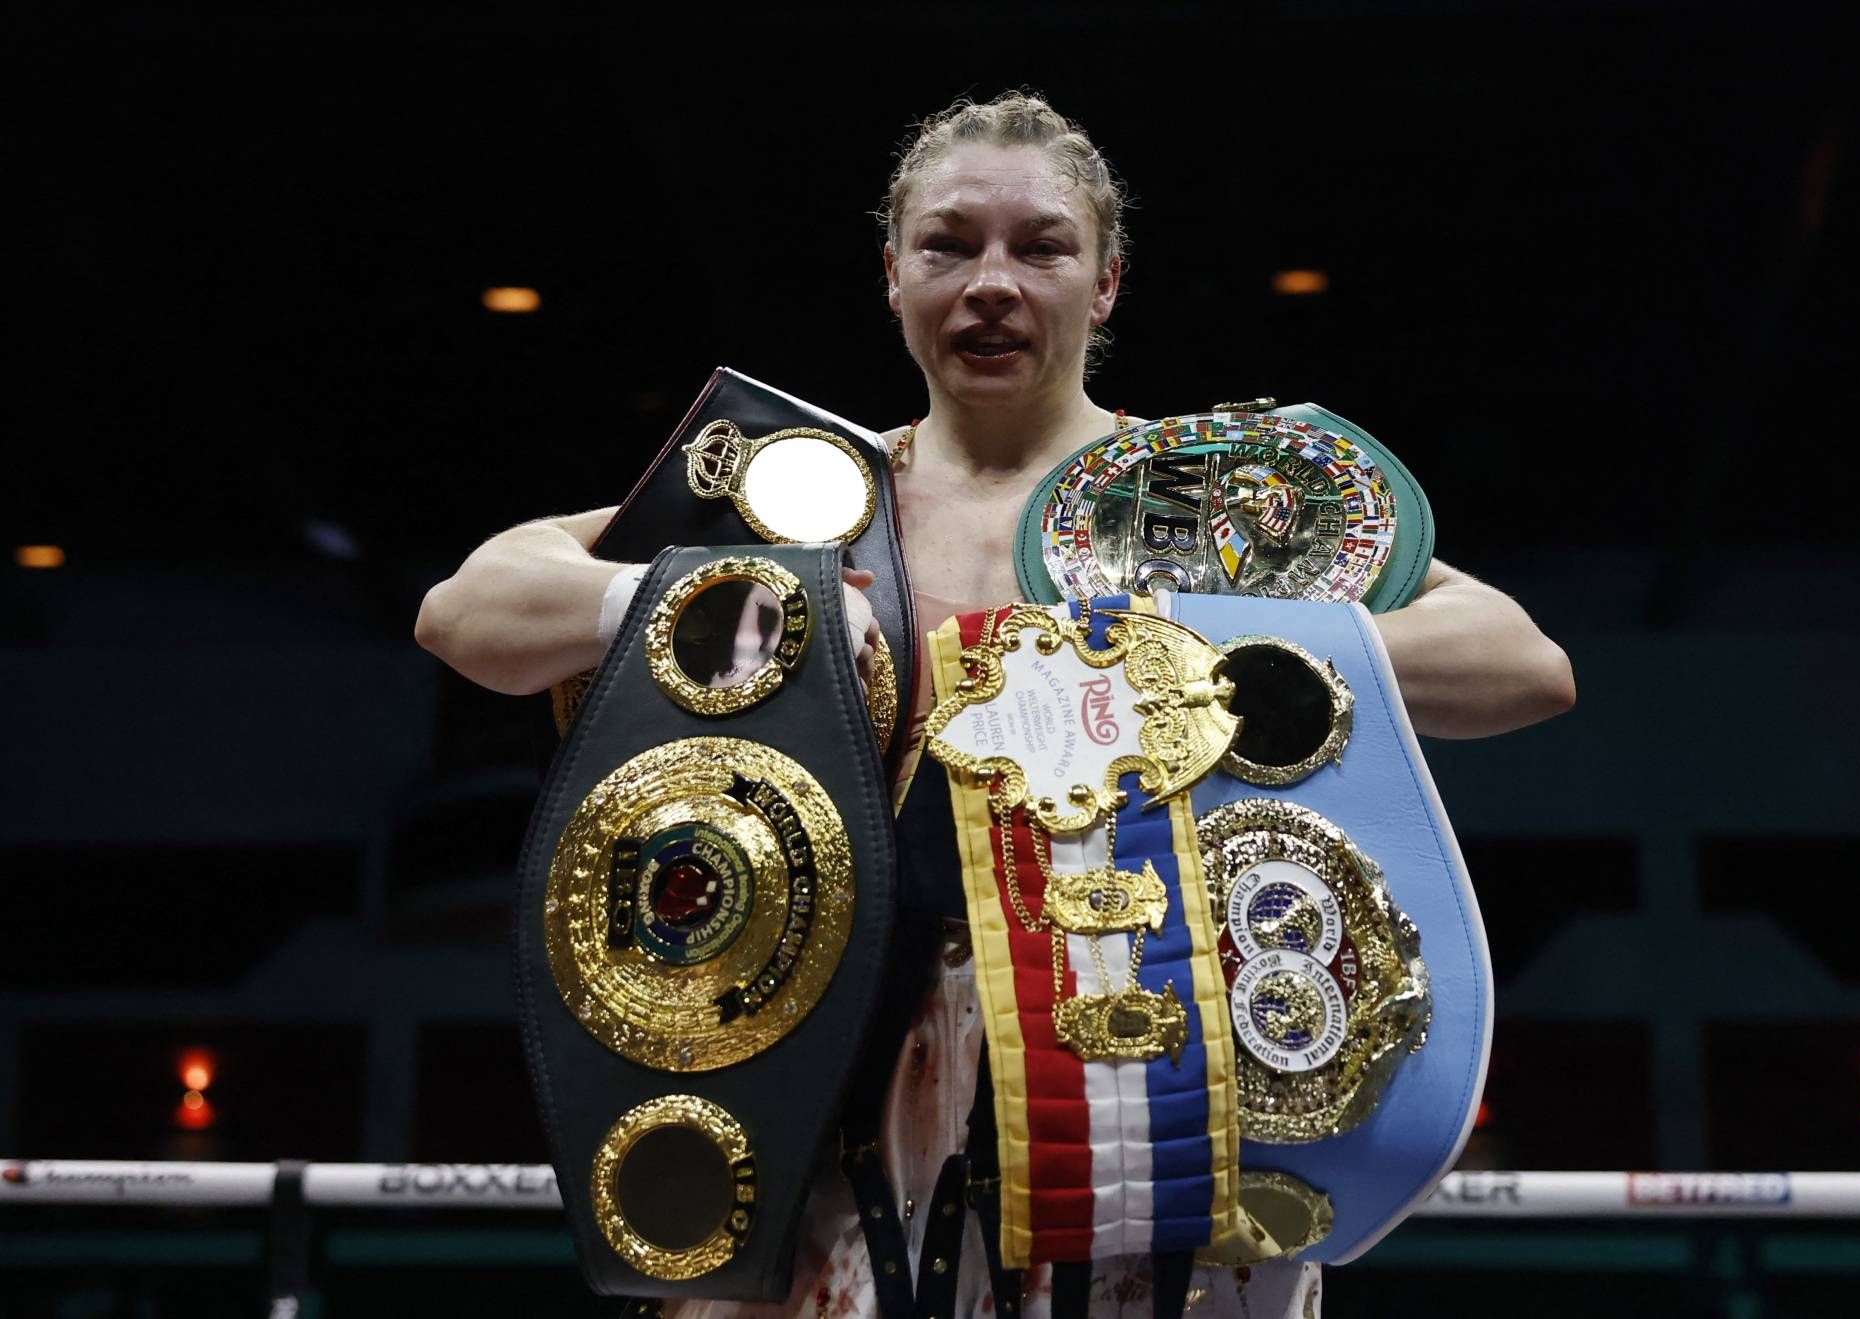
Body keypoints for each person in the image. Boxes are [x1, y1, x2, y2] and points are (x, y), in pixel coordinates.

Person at [417, 91, 1575, 1319]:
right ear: (892, 275)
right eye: (948, 245)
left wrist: (1200, 641)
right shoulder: (799, 504)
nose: (989, 284)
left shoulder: (1204, 509)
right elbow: (467, 611)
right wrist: (713, 597)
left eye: (1040, 247)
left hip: (1141, 1082)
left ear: (1105, 283)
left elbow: (1520, 664)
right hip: (828, 1080)